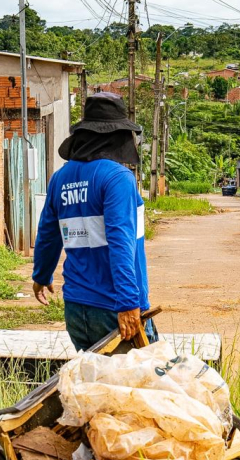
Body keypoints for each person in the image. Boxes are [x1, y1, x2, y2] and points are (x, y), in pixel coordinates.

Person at [32, 92, 157, 351]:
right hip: (113, 308)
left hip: (77, 311)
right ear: (115, 136)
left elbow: (48, 232)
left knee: (95, 385)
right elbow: (121, 242)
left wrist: (41, 275)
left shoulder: (60, 178)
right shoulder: (117, 179)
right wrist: (127, 303)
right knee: (141, 386)